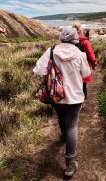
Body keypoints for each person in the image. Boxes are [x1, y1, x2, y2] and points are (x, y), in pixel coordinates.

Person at [33, 27, 91, 177]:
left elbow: (39, 70)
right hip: (75, 97)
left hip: (56, 96)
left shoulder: (51, 51)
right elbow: (86, 73)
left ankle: (64, 136)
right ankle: (70, 165)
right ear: (75, 39)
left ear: (61, 38)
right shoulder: (79, 54)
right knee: (72, 125)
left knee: (61, 117)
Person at [73, 22, 97, 102]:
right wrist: (94, 64)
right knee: (83, 84)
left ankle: (73, 100)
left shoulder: (69, 41)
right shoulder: (85, 42)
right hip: (83, 66)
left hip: (72, 66)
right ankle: (82, 100)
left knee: (73, 84)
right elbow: (90, 54)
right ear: (81, 31)